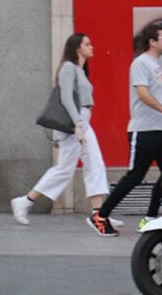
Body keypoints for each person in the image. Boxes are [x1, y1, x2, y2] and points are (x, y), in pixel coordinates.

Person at [11, 34, 121, 229]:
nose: (91, 46)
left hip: (82, 122)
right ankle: (25, 201)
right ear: (77, 47)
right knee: (66, 169)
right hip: (75, 123)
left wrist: (81, 122)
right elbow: (66, 98)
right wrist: (77, 123)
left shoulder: (79, 69)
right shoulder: (68, 68)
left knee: (93, 164)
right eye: (87, 44)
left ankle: (99, 214)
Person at [89, 23, 162, 237]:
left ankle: (150, 218)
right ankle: (101, 215)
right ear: (152, 42)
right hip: (144, 131)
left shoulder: (160, 66)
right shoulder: (141, 64)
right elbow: (142, 93)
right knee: (135, 176)